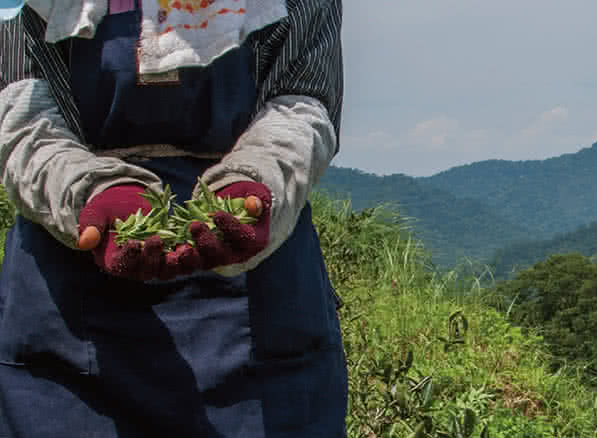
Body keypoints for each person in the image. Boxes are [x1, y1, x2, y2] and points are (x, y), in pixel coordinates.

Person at [0, 0, 347, 436]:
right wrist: (88, 192)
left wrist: (255, 183)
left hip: (254, 297)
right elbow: (20, 111)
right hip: (70, 303)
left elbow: (302, 101)